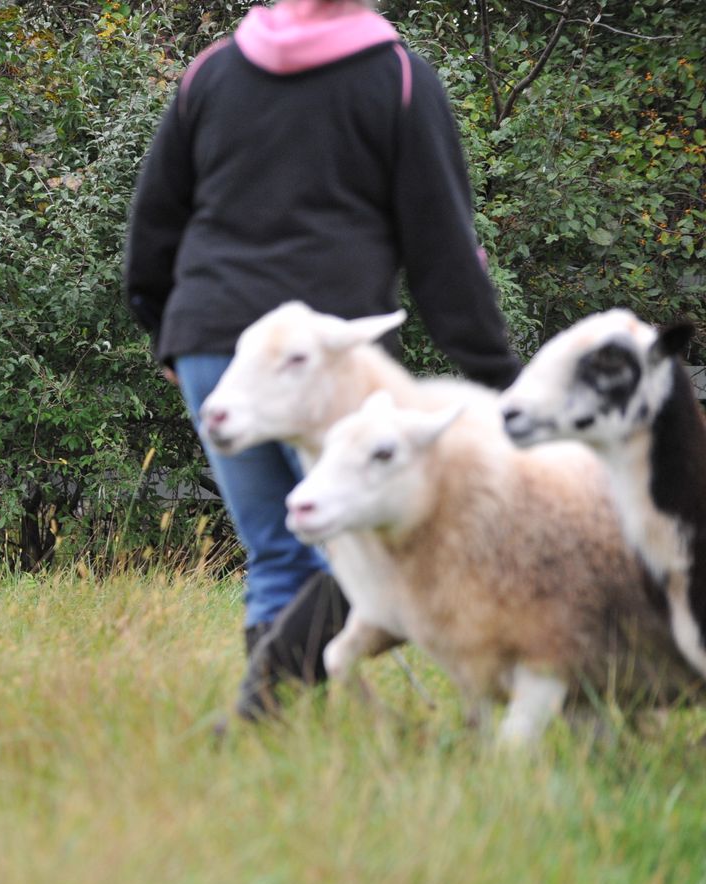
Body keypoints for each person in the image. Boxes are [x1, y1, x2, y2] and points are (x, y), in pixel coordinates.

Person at [122, 0, 520, 726]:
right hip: (327, 362)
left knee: (278, 549)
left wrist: (169, 333)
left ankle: (269, 723)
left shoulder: (213, 72)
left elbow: (154, 224)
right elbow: (443, 252)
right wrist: (500, 380)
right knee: (372, 543)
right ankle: (260, 710)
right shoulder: (398, 78)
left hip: (217, 345)